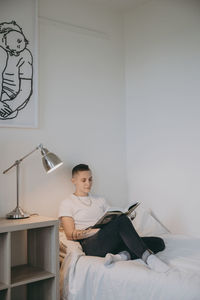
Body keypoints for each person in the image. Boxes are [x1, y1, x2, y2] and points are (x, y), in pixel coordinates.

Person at [59, 164, 169, 272]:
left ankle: (121, 256)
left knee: (158, 242)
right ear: (73, 181)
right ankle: (148, 258)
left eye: (90, 179)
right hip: (91, 244)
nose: (88, 183)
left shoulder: (100, 200)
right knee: (121, 222)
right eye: (83, 180)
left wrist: (126, 217)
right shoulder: (67, 203)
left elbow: (112, 217)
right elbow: (69, 234)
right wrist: (92, 231)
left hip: (109, 239)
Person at [0, 21, 33, 120]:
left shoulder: (25, 55)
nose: (21, 43)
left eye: (22, 40)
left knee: (10, 113)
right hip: (4, 96)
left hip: (14, 97)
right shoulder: (2, 53)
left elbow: (26, 88)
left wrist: (11, 106)